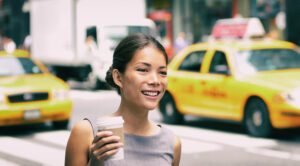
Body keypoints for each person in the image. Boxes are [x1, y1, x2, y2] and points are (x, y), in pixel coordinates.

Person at [65, 33, 181, 166]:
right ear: (118, 78)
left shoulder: (172, 143)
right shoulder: (86, 133)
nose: (155, 81)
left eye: (162, 72)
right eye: (143, 70)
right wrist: (95, 163)